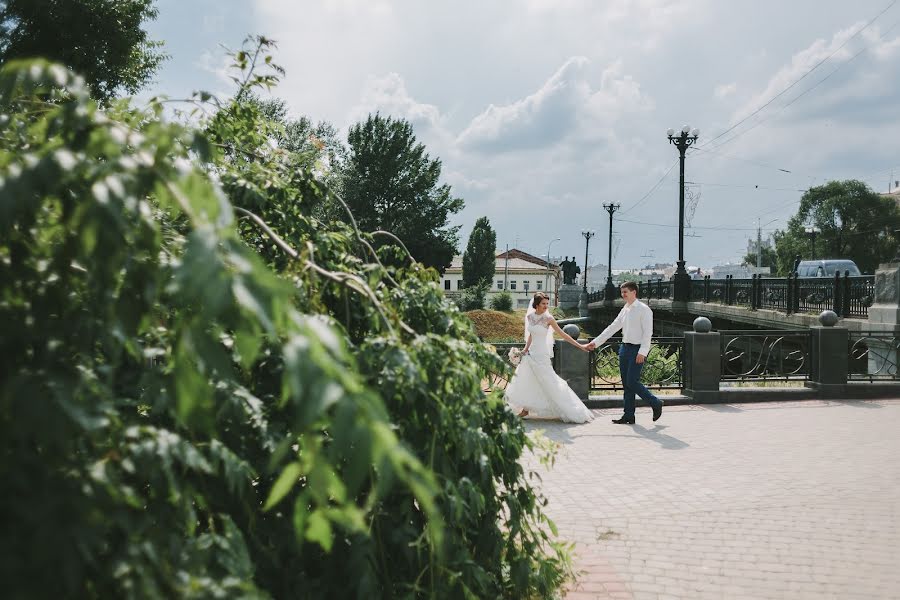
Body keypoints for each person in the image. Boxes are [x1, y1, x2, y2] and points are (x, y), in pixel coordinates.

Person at [505, 292, 594, 423]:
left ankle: (572, 410)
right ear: (536, 304)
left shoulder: (549, 319)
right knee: (527, 379)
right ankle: (525, 410)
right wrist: (524, 350)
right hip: (530, 354)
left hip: (542, 355)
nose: (546, 306)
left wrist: (582, 346)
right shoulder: (530, 317)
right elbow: (531, 335)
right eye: (543, 304)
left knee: (550, 382)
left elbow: (563, 335)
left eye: (547, 303)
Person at [585, 281, 663, 424]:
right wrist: (596, 343)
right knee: (627, 385)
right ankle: (629, 415)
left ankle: (655, 403)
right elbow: (613, 327)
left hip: (637, 349)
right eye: (622, 292)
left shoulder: (644, 310)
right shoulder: (625, 308)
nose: (623, 295)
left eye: (625, 292)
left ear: (634, 292)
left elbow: (648, 333)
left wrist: (643, 352)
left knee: (632, 382)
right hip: (625, 349)